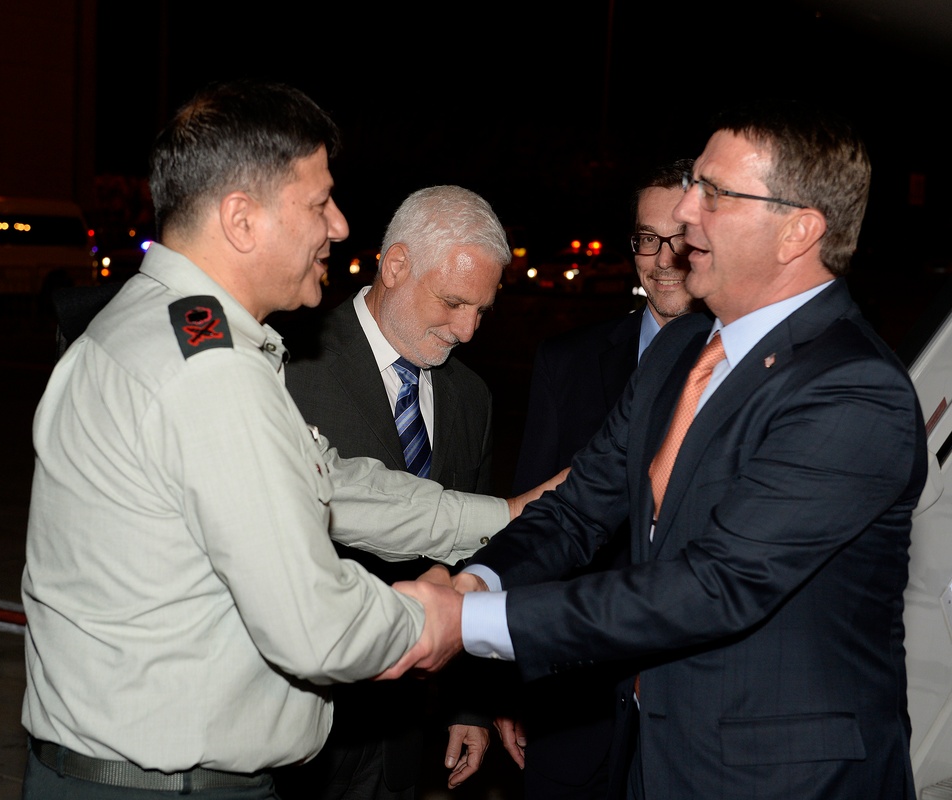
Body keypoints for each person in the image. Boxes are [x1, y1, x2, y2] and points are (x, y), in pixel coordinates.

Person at [19, 79, 558, 800]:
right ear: (241, 219)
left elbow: (326, 483)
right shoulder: (208, 376)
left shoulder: (154, 326)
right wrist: (442, 615)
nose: (338, 226)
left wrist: (508, 516)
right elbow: (317, 626)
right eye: (318, 203)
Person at [381, 99, 930, 800]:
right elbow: (576, 509)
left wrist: (472, 622)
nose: (686, 214)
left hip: (788, 777)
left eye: (716, 194)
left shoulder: (852, 388)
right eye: (695, 185)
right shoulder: (678, 352)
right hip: (655, 759)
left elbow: (713, 586)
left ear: (799, 230)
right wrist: (474, 582)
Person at [282, 184, 511, 798]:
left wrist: (470, 705)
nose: (467, 330)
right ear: (396, 265)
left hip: (412, 727)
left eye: (482, 310)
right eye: (454, 302)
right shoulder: (286, 364)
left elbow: (476, 557)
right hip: (305, 724)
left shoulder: (472, 397)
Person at [500, 159, 697, 799]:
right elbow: (540, 525)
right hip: (571, 703)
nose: (663, 259)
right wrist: (505, 683)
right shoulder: (568, 362)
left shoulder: (753, 375)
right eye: (647, 238)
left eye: (682, 240)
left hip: (692, 708)